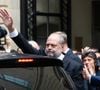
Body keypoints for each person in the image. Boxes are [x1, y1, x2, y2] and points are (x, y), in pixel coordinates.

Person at [0, 9, 84, 90]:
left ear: (62, 47)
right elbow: (25, 46)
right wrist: (11, 28)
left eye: (53, 45)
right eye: (47, 45)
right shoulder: (42, 55)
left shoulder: (74, 66)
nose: (49, 48)